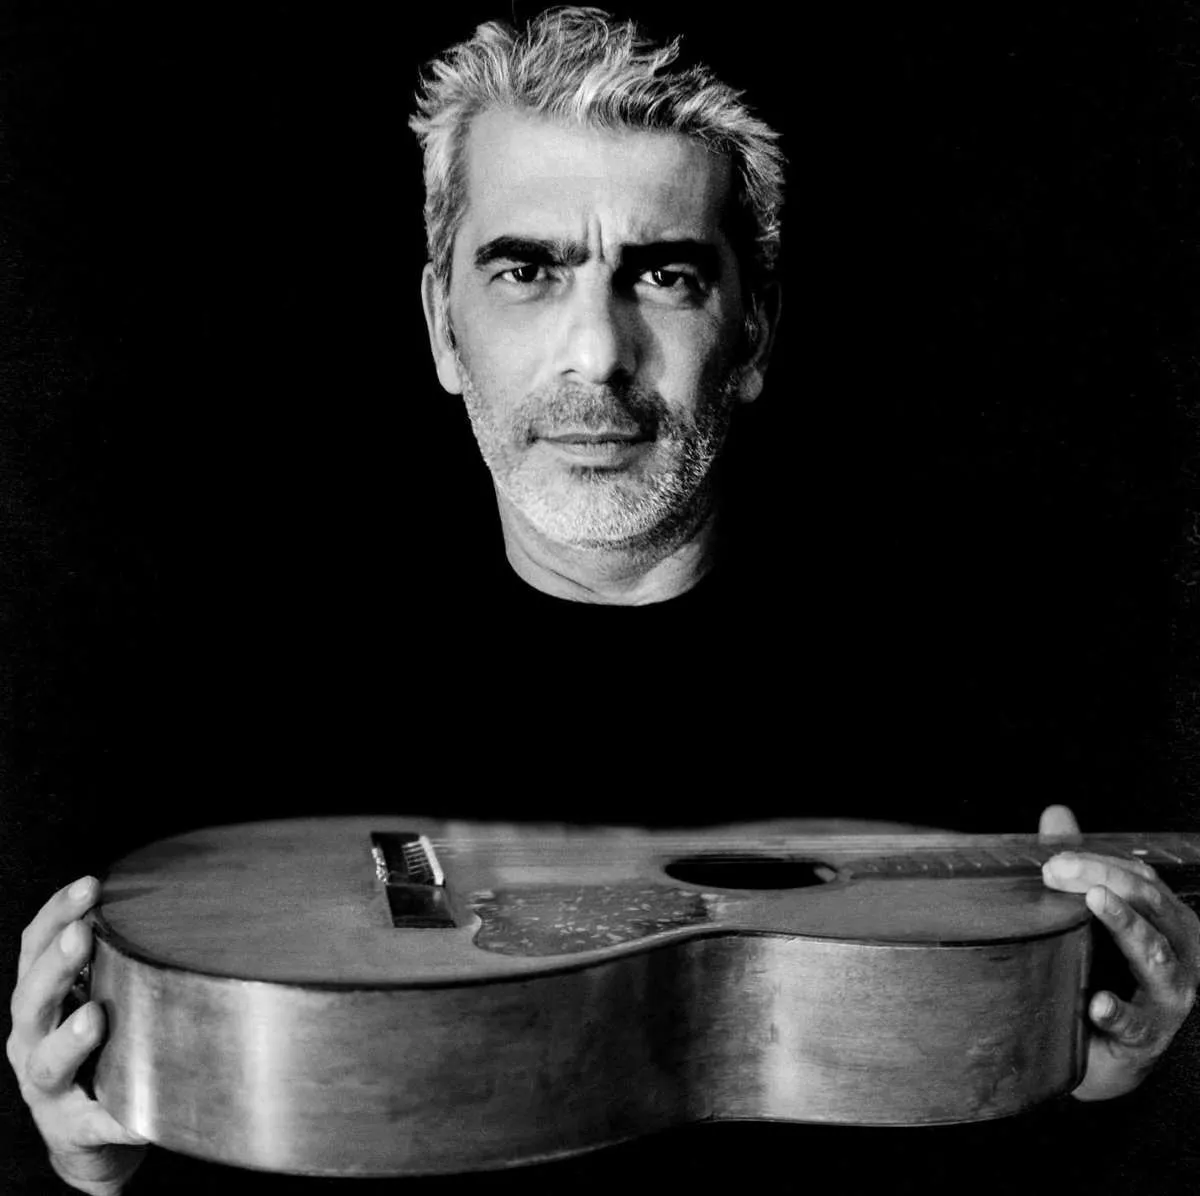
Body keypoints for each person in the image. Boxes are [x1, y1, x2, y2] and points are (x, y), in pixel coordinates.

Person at [6, 8, 1198, 1193]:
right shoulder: (241, 710)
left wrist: (1091, 1066)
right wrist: (82, 1153)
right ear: (442, 327)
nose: (598, 353)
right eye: (527, 271)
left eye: (664, 274)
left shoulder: (971, 707)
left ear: (754, 331)